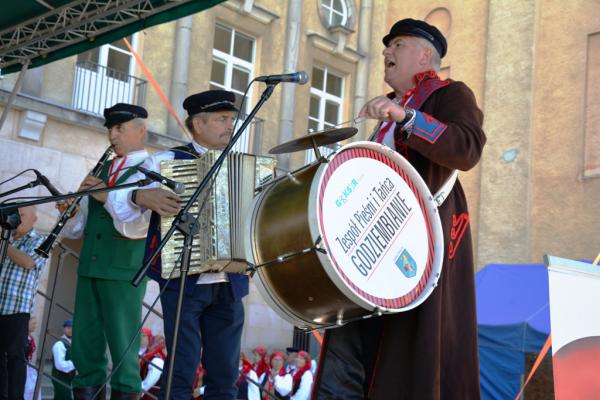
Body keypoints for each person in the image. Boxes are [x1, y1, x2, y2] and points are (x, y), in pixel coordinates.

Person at [312, 18, 486, 399]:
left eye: (398, 45)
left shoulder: (450, 93)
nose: (386, 52)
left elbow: (468, 147)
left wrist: (407, 118)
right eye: (386, 47)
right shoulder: (390, 106)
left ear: (426, 55)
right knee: (351, 341)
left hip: (421, 243)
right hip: (371, 248)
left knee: (410, 347)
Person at [109, 90, 248, 399]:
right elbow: (118, 201)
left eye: (231, 119)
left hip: (231, 283)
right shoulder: (166, 160)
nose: (230, 125)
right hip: (184, 281)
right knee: (181, 370)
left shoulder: (244, 166)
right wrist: (140, 196)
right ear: (197, 124)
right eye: (222, 119)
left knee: (225, 375)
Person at [60, 103, 152, 399]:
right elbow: (80, 226)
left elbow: (140, 226)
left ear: (141, 130)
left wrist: (105, 196)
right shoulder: (102, 168)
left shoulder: (152, 168)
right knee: (84, 346)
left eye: (119, 128)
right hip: (90, 266)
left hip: (124, 270)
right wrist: (71, 214)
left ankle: (126, 391)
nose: (113, 135)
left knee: (124, 347)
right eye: (110, 129)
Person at [0, 206, 47, 400]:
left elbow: (28, 262)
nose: (16, 219)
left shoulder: (39, 240)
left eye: (21, 215)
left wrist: (2, 243)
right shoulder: (7, 239)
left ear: (34, 219)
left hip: (17, 310)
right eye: (15, 215)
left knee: (14, 358)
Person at [51, 320, 76, 400]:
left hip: (70, 377)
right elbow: (60, 365)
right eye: (68, 327)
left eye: (73, 328)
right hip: (60, 377)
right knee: (63, 398)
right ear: (63, 329)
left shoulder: (74, 343)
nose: (71, 330)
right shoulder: (59, 345)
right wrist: (76, 363)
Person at [139, 328, 165, 399]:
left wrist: (137, 391)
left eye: (144, 335)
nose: (140, 337)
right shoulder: (141, 355)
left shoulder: (157, 360)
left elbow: (146, 384)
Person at [24, 316, 41, 400]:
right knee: (27, 388)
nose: (35, 325)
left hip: (29, 366)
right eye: (33, 323)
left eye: (36, 323)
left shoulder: (31, 338)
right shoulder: (23, 338)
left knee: (34, 388)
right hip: (23, 366)